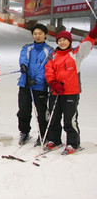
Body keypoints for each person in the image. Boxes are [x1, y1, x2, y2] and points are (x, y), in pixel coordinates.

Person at [44, 23, 97, 154]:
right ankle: (55, 140)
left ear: (69, 41)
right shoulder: (53, 56)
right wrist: (54, 83)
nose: (62, 42)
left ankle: (73, 143)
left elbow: (88, 41)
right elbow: (48, 71)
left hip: (71, 93)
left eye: (65, 40)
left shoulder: (76, 54)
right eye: (60, 40)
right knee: (53, 117)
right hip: (56, 92)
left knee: (70, 119)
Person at [17, 24, 54, 146]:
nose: (37, 36)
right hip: (25, 84)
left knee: (41, 111)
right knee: (23, 110)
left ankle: (43, 134)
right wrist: (24, 66)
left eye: (40, 33)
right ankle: (24, 132)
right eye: (35, 33)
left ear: (45, 35)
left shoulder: (49, 50)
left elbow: (46, 67)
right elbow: (24, 57)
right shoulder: (27, 47)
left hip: (40, 86)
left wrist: (37, 80)